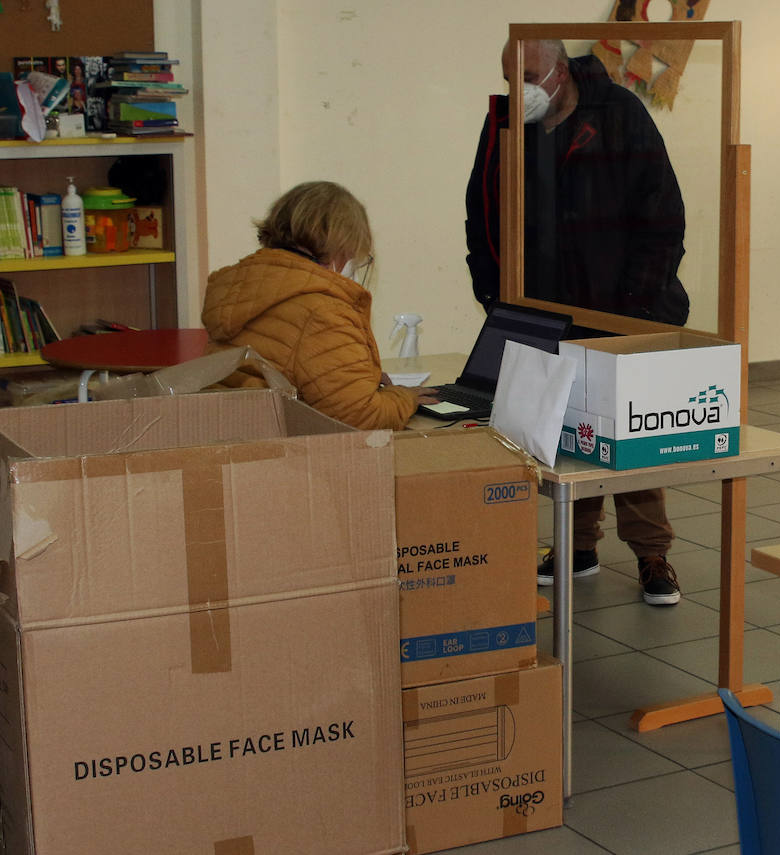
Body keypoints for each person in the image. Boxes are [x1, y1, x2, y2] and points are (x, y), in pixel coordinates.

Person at [465, 39, 687, 606]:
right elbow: (481, 209)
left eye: (532, 76)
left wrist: (635, 307)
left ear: (562, 72)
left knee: (630, 435)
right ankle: (576, 545)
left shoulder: (619, 115)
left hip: (623, 305)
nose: (522, 90)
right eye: (511, 78)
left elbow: (661, 215)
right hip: (547, 308)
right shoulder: (506, 124)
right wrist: (494, 292)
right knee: (568, 430)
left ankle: (652, 554)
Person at [203, 181, 435, 431]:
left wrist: (355, 376)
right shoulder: (324, 310)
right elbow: (363, 420)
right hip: (285, 451)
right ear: (343, 248)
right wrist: (404, 397)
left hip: (233, 433)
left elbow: (293, 366)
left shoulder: (245, 284)